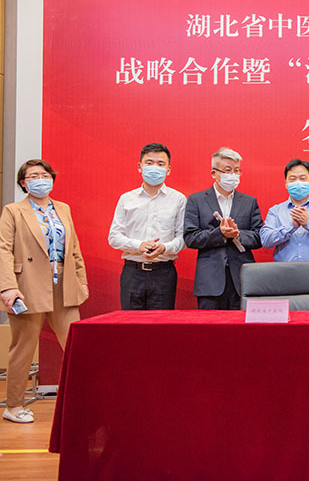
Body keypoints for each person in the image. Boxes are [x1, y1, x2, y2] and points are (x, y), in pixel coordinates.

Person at [0, 160, 88, 423]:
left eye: (45, 175)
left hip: (64, 284)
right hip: (27, 286)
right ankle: (14, 406)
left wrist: (81, 281)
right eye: (33, 176)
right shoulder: (13, 211)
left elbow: (74, 248)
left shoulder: (63, 208)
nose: (41, 180)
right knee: (23, 348)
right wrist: (8, 286)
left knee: (77, 346)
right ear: (24, 183)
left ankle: (85, 403)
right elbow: (3, 249)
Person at [108, 143, 186, 310]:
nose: (155, 168)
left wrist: (164, 248)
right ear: (140, 166)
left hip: (163, 273)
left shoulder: (178, 199)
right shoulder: (126, 199)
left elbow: (184, 238)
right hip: (132, 272)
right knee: (130, 323)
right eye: (149, 163)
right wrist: (139, 245)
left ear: (168, 170)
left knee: (161, 324)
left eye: (160, 164)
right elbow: (114, 237)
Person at [184, 147, 263, 310]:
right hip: (210, 280)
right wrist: (219, 233)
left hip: (242, 279)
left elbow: (258, 236)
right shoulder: (196, 200)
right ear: (214, 173)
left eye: (237, 170)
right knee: (210, 325)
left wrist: (238, 235)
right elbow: (190, 237)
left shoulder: (249, 202)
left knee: (241, 325)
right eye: (228, 170)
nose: (233, 175)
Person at [260, 159, 309, 262]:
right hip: (284, 270)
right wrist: (290, 227)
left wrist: (308, 224)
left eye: (302, 178)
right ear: (286, 184)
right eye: (292, 179)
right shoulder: (275, 211)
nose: (298, 183)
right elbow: (266, 241)